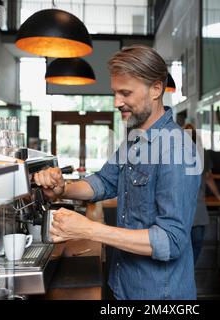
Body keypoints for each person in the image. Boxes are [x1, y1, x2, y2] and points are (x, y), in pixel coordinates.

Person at [34, 45, 201, 300]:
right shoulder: (135, 139)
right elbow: (103, 181)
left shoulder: (177, 149)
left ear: (156, 89)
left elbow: (171, 240)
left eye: (125, 93)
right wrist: (62, 188)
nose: (116, 102)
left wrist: (88, 230)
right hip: (123, 285)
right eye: (115, 92)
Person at [183, 123, 220, 265]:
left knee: (196, 245)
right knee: (182, 248)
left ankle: (186, 277)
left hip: (198, 210)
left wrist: (219, 197)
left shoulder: (202, 154)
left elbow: (208, 177)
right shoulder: (172, 154)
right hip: (179, 211)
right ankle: (181, 279)